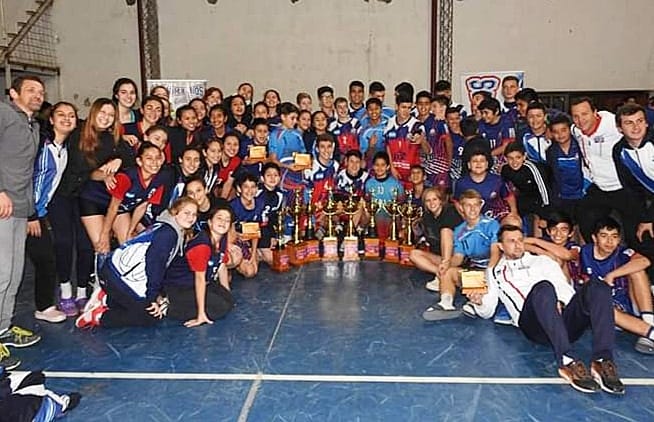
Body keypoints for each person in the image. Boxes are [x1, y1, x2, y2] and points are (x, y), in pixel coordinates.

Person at [465, 225, 625, 395]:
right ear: (501, 246)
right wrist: (478, 302)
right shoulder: (494, 272)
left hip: (562, 322)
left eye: (520, 240)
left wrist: (561, 303)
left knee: (598, 286)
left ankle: (602, 360)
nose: (518, 245)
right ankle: (567, 361)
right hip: (535, 327)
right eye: (511, 241)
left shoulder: (543, 261)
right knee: (543, 287)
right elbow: (487, 311)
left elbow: (565, 289)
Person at [75, 197, 198, 328]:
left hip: (113, 271)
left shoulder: (166, 226)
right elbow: (154, 265)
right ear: (175, 212)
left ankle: (106, 299)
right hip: (118, 277)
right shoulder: (168, 234)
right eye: (186, 213)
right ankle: (99, 316)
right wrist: (152, 297)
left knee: (145, 306)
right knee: (149, 316)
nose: (190, 218)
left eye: (194, 214)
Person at [0, 75, 45, 369]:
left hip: (19, 208)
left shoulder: (33, 125)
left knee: (14, 274)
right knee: (2, 273)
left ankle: (3, 330)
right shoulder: (4, 113)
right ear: (13, 93)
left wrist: (29, 211)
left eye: (40, 91)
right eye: (30, 90)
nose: (37, 95)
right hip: (2, 205)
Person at [26, 102, 78, 323]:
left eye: (71, 115)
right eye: (61, 114)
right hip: (26, 213)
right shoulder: (41, 146)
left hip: (37, 212)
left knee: (46, 259)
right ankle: (44, 306)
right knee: (43, 259)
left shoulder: (63, 148)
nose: (66, 119)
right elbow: (30, 180)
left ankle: (44, 306)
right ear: (51, 119)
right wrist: (31, 215)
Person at [571, 97, 640, 247]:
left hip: (624, 187)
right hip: (600, 187)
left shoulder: (612, 124)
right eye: (576, 116)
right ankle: (599, 254)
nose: (580, 120)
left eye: (584, 114)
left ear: (595, 112)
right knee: (585, 217)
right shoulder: (576, 130)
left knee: (635, 233)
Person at [580, 217, 654, 355]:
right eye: (604, 236)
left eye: (614, 237)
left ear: (619, 239)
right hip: (602, 311)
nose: (609, 241)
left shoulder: (622, 252)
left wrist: (612, 275)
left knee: (637, 270)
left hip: (627, 306)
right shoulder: (584, 252)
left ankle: (649, 322)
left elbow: (644, 261)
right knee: (601, 305)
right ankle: (651, 333)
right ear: (594, 238)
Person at [422, 189, 499, 320]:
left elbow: (495, 254)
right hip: (476, 275)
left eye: (476, 205)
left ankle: (477, 302)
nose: (473, 209)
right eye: (468, 205)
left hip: (494, 274)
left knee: (485, 301)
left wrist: (489, 276)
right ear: (461, 208)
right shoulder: (459, 230)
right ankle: (446, 304)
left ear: (480, 206)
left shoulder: (492, 225)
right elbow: (458, 257)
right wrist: (446, 264)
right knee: (448, 271)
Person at [163, 203, 237, 327]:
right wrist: (201, 314)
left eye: (227, 220)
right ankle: (169, 308)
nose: (223, 222)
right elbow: (199, 279)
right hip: (180, 287)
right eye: (219, 218)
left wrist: (227, 294)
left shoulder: (222, 239)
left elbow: (221, 266)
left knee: (228, 302)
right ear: (210, 222)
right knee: (220, 308)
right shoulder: (202, 245)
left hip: (200, 283)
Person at [410, 187, 462, 292]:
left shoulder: (450, 211)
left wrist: (446, 261)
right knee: (413, 254)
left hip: (456, 258)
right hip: (439, 258)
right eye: (428, 200)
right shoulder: (427, 217)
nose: (432, 203)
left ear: (441, 200)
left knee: (445, 231)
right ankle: (440, 274)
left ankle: (444, 272)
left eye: (435, 199)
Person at [501, 141, 551, 235]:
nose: (514, 162)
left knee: (537, 221)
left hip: (539, 199)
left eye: (518, 157)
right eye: (510, 158)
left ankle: (536, 241)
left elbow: (545, 191)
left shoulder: (532, 168)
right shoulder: (505, 170)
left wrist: (545, 215)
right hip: (522, 198)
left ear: (524, 156)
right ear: (505, 158)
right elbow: (505, 190)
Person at [384, 94, 429, 190]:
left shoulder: (417, 125)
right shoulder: (390, 122)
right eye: (403, 107)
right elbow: (387, 146)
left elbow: (427, 151)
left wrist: (422, 140)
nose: (406, 111)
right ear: (397, 106)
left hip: (411, 175)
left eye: (409, 108)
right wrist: (392, 167)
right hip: (394, 172)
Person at [545, 114, 585, 221]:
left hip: (583, 195)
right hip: (563, 197)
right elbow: (551, 176)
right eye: (556, 132)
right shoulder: (551, 151)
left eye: (563, 130)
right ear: (551, 133)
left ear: (570, 130)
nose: (560, 134)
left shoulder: (581, 145)